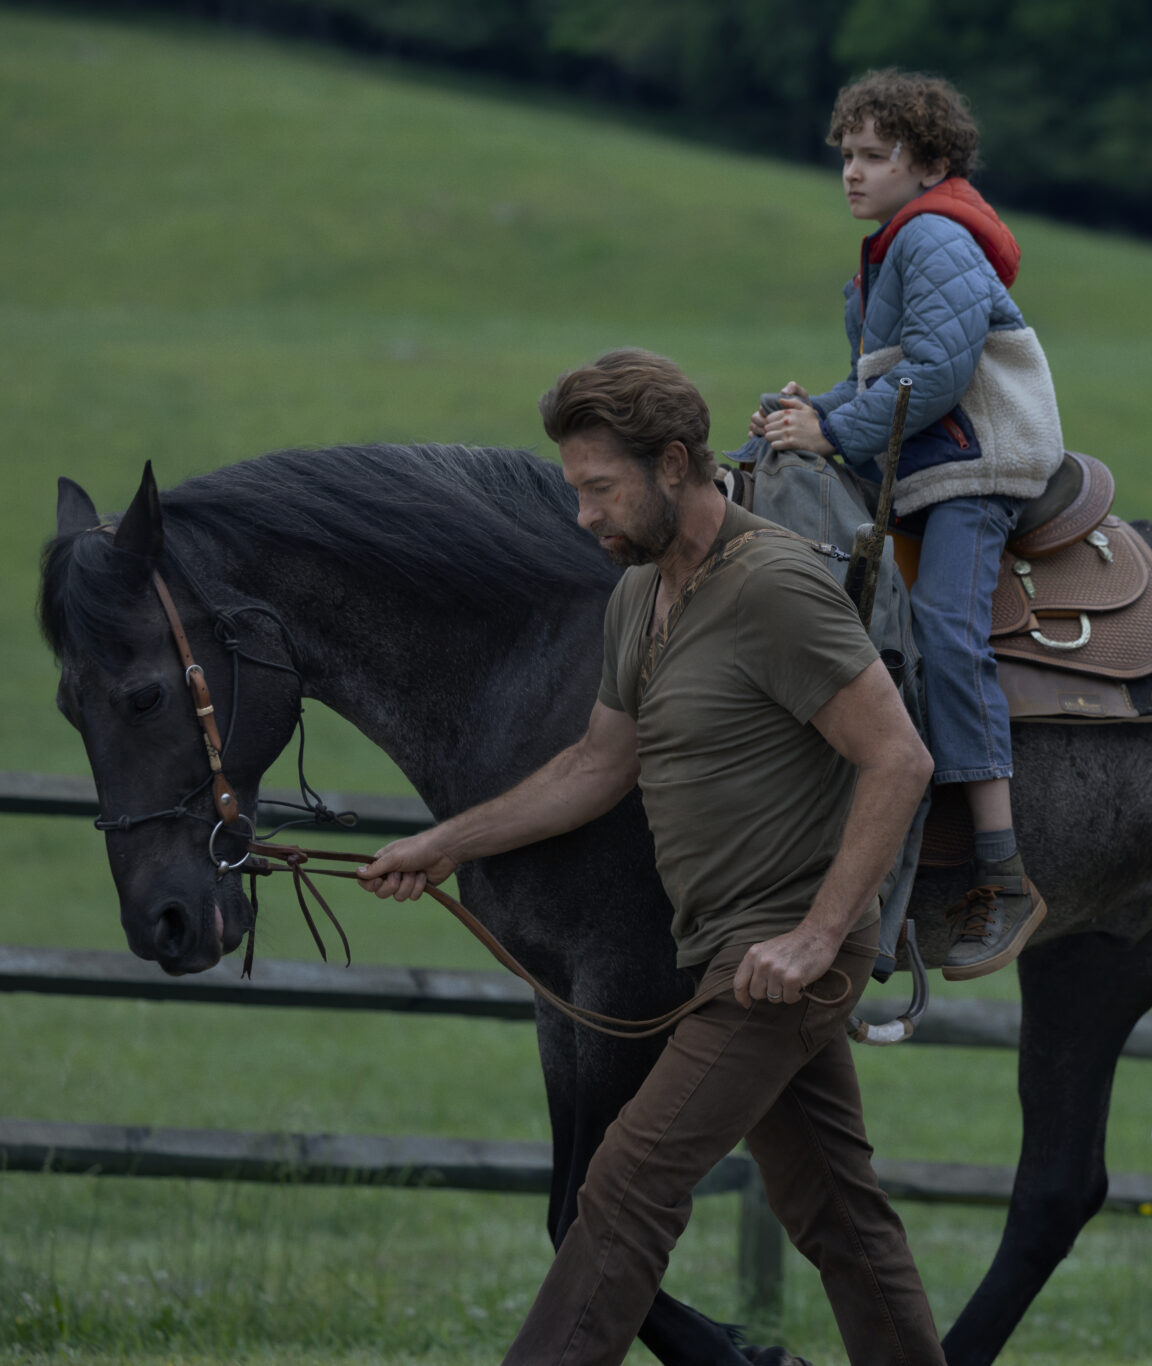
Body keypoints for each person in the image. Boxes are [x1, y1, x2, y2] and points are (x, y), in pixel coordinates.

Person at [357, 348, 945, 1366]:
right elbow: (596, 762)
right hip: (719, 949)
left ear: (674, 464)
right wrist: (444, 843)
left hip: (777, 963)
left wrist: (813, 938)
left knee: (624, 1184)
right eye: (576, 491)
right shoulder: (638, 594)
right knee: (840, 1219)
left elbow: (898, 757)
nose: (584, 516)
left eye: (599, 489)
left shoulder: (775, 587)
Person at [748, 68, 1063, 981]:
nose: (852, 172)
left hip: (974, 466)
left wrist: (836, 426)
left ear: (927, 163)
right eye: (846, 155)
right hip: (927, 462)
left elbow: (935, 370)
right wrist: (800, 414)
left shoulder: (932, 236)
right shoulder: (897, 244)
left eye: (873, 156)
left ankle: (1002, 873)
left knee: (944, 633)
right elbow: (887, 375)